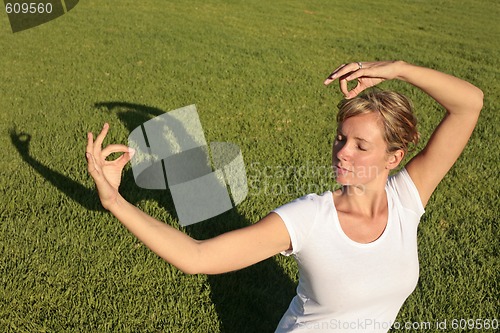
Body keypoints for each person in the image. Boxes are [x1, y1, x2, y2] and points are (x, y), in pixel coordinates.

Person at [85, 60, 483, 332]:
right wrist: (115, 202)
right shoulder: (310, 219)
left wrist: (395, 70)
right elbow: (197, 257)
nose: (342, 152)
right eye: (341, 138)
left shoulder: (407, 200)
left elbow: (469, 105)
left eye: (361, 146)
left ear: (394, 157)